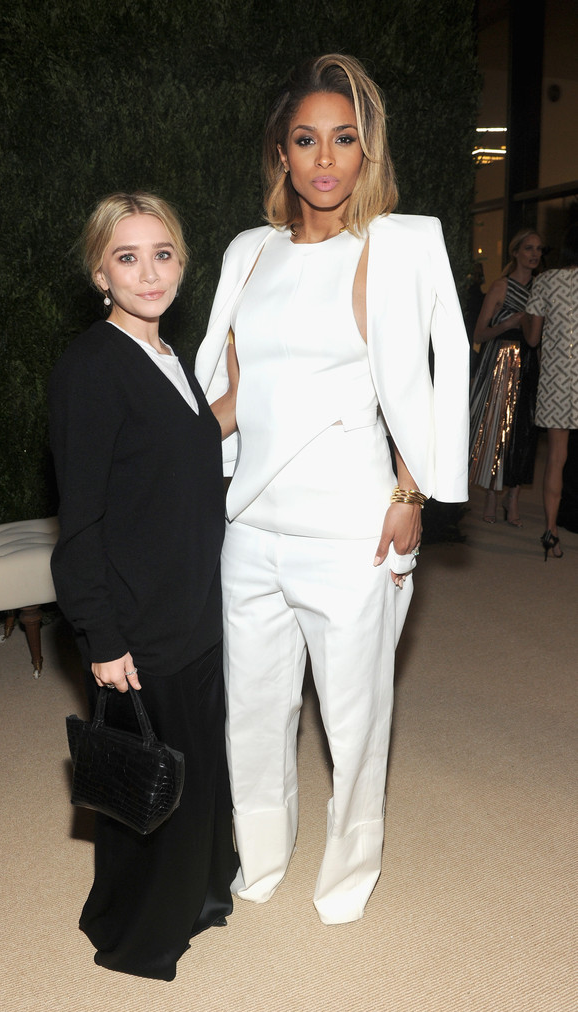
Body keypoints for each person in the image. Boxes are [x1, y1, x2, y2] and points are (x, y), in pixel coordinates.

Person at [195, 54, 469, 926]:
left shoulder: (396, 247)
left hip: (352, 528)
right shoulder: (250, 253)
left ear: (366, 151)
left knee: (353, 723)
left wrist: (412, 492)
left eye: (343, 139)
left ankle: (348, 874)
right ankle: (262, 856)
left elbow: (437, 373)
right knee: (252, 710)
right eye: (306, 138)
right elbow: (231, 394)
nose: (324, 158)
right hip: (251, 527)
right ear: (281, 151)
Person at [48, 192, 238, 980]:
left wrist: (267, 383)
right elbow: (79, 522)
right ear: (100, 272)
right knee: (148, 783)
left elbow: (194, 436)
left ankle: (195, 896)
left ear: (182, 263)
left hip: (192, 604)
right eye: (127, 257)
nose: (148, 271)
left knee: (193, 769)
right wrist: (102, 638)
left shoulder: (168, 358)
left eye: (162, 253)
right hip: (140, 617)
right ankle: (136, 933)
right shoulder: (91, 368)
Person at [468, 229, 543, 525]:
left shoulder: (541, 288)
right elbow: (478, 333)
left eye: (538, 249)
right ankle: (491, 494)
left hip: (529, 364)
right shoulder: (501, 287)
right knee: (495, 429)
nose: (534, 254)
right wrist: (508, 324)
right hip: (499, 362)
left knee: (524, 431)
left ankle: (512, 497)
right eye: (528, 248)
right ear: (515, 252)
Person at [524, 223, 578, 559]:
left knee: (555, 459)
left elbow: (532, 339)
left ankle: (551, 532)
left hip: (558, 382)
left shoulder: (546, 281)